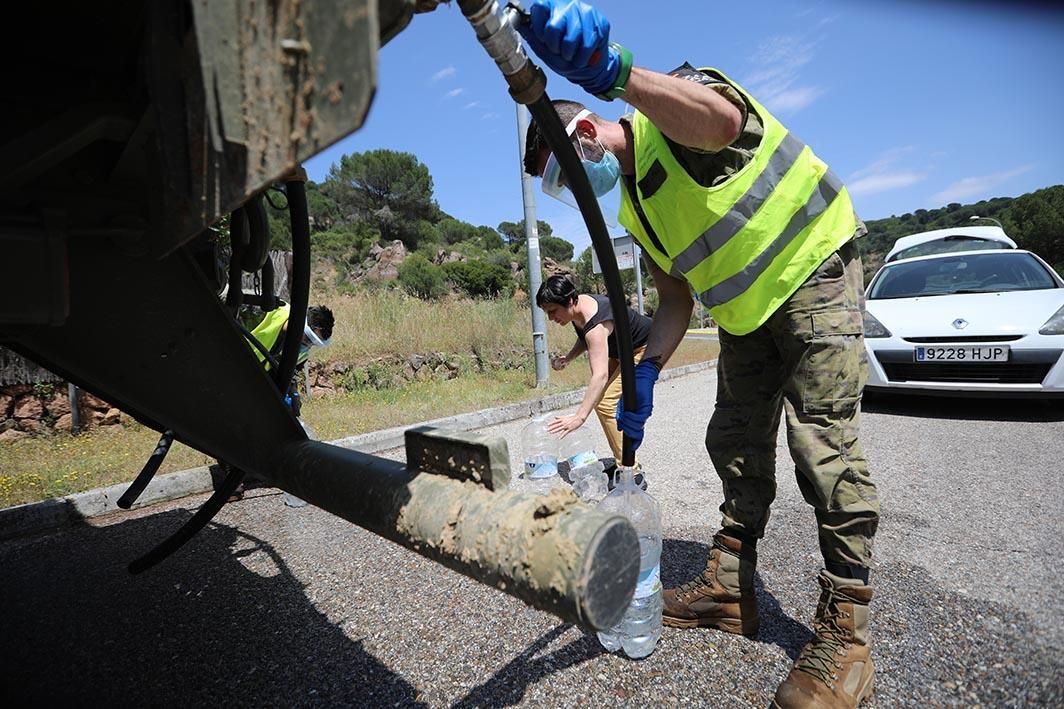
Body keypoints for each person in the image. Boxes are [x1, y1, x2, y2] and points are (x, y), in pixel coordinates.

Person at [517, 2, 880, 706]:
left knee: (822, 450)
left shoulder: (670, 110)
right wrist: (647, 366)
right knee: (733, 441)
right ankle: (728, 585)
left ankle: (848, 636)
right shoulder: (632, 208)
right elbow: (676, 296)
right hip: (747, 317)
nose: (567, 193)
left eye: (563, 174)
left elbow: (719, 122)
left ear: (585, 133)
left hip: (812, 273)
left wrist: (613, 71)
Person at [535, 275, 652, 471]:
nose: (551, 318)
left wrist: (579, 417)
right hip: (621, 350)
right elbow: (585, 339)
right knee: (601, 402)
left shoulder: (595, 324)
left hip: (644, 347)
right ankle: (623, 460)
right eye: (547, 313)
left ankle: (630, 469)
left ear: (570, 301)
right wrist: (569, 358)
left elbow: (599, 375)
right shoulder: (577, 309)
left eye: (553, 311)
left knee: (606, 403)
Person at [224, 302, 334, 501]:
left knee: (285, 411)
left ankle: (271, 469)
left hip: (258, 375)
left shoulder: (298, 346)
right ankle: (231, 482)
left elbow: (289, 371)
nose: (307, 345)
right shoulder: (263, 311)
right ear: (299, 322)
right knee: (232, 421)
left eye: (312, 343)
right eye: (307, 338)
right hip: (229, 366)